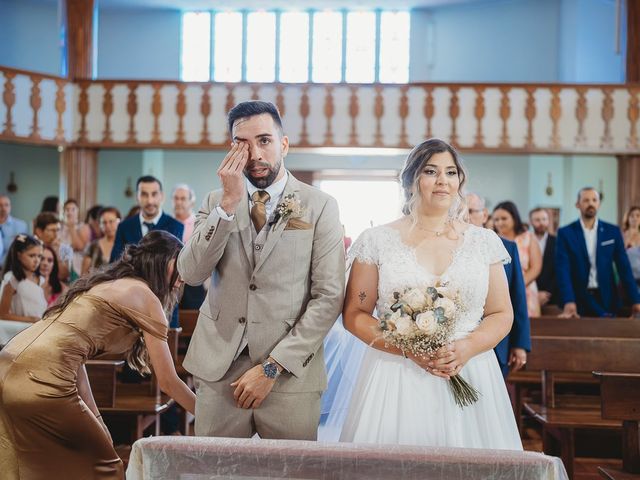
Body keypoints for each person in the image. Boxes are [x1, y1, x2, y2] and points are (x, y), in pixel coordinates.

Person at [337, 138, 520, 448]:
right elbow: (355, 314)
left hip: (471, 368)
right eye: (431, 171)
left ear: (459, 181)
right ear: (411, 181)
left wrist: (467, 347)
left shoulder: (483, 241)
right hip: (395, 376)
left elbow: (501, 313)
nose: (442, 181)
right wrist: (408, 349)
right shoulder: (377, 241)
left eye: (451, 172)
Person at [178, 100, 345, 440]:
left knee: (294, 475)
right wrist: (227, 204)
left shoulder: (320, 206)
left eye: (264, 140)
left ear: (283, 144)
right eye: (243, 143)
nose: (254, 153)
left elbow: (328, 297)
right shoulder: (215, 201)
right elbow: (192, 273)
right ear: (231, 148)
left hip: (289, 373)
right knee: (214, 474)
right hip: (219, 369)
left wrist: (272, 367)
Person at [0, 231, 196, 479]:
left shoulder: (104, 284)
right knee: (105, 467)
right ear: (159, 260)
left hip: (9, 361)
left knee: (32, 463)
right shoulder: (145, 297)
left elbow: (74, 356)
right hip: (43, 374)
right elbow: (167, 381)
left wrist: (95, 415)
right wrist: (207, 415)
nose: (183, 277)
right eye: (179, 264)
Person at [467, 193, 530, 378]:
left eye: (471, 211)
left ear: (484, 215)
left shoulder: (506, 247)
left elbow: (517, 296)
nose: (466, 216)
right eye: (460, 211)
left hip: (499, 342)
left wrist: (520, 344)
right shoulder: (447, 247)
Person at [556, 187, 640, 318]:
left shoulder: (612, 231)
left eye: (594, 200)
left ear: (599, 204)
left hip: (607, 299)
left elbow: (624, 268)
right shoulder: (565, 233)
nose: (591, 203)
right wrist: (568, 300)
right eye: (586, 200)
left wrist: (636, 300)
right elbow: (562, 270)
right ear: (577, 204)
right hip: (578, 300)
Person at [493, 201, 542, 317]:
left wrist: (517, 286)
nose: (499, 222)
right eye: (496, 219)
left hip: (525, 290)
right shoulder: (493, 240)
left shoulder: (528, 237)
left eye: (504, 218)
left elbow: (536, 267)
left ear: (514, 218)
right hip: (499, 292)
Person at [172, 184, 206, 309]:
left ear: (191, 202)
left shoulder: (200, 224)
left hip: (192, 283)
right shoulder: (168, 224)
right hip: (170, 282)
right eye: (176, 198)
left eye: (183, 199)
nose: (179, 202)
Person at [0, 235, 47, 322]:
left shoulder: (40, 279)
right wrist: (30, 319)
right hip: (20, 330)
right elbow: (3, 314)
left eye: (39, 256)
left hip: (39, 328)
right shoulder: (12, 279)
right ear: (19, 255)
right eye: (32, 256)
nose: (36, 260)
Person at [529, 207, 558, 307]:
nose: (541, 223)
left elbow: (559, 270)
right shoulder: (525, 241)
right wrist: (534, 293)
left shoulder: (557, 242)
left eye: (544, 219)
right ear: (531, 222)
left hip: (553, 296)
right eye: (537, 220)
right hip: (529, 294)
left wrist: (548, 292)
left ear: (548, 221)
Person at [34, 212, 73, 282]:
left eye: (58, 230)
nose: (56, 235)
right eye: (52, 230)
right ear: (39, 232)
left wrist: (56, 252)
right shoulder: (31, 248)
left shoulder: (65, 249)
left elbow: (63, 276)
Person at [82, 207, 121, 275]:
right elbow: (83, 274)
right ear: (100, 224)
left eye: (111, 222)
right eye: (104, 222)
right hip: (96, 284)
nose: (108, 226)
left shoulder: (125, 245)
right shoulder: (93, 246)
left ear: (119, 222)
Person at [61, 199, 92, 279]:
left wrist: (71, 227)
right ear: (64, 211)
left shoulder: (84, 227)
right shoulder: (60, 228)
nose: (70, 212)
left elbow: (79, 246)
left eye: (73, 209)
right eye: (67, 209)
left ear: (77, 211)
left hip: (78, 265)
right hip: (63, 264)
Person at [0, 194, 29, 265]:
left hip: (12, 265)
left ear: (10, 207)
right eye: (0, 205)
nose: (3, 208)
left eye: (6, 205)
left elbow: (23, 246)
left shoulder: (21, 225)